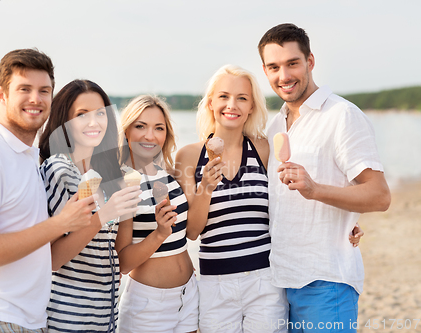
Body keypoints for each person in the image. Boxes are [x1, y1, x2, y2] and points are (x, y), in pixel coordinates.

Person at [0, 49, 97, 332]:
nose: (35, 99)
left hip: (30, 320)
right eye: (24, 89)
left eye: (44, 90)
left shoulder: (27, 157)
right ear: (2, 95)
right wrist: (60, 223)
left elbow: (46, 256)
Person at [258, 23, 391, 332]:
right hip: (279, 282)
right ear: (265, 71)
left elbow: (380, 195)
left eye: (292, 63)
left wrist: (316, 189)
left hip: (326, 281)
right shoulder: (275, 125)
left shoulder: (341, 115)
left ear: (310, 62)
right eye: (274, 67)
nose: (284, 76)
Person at [175, 64, 288, 333]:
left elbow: (290, 203)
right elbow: (191, 231)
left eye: (242, 98)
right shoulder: (189, 156)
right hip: (215, 284)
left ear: (251, 107)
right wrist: (206, 187)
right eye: (224, 96)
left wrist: (344, 224)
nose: (232, 105)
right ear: (211, 102)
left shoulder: (263, 148)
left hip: (265, 279)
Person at [38, 79, 141, 333]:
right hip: (67, 318)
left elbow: (111, 255)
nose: (94, 122)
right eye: (81, 115)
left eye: (99, 113)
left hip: (105, 318)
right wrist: (106, 213)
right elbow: (53, 258)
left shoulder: (104, 173)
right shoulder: (59, 169)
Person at [116, 95, 199, 333]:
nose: (150, 136)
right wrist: (159, 234)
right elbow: (122, 262)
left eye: (158, 128)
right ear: (126, 131)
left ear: (166, 134)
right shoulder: (122, 181)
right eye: (140, 126)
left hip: (188, 295)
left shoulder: (169, 174)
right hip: (149, 306)